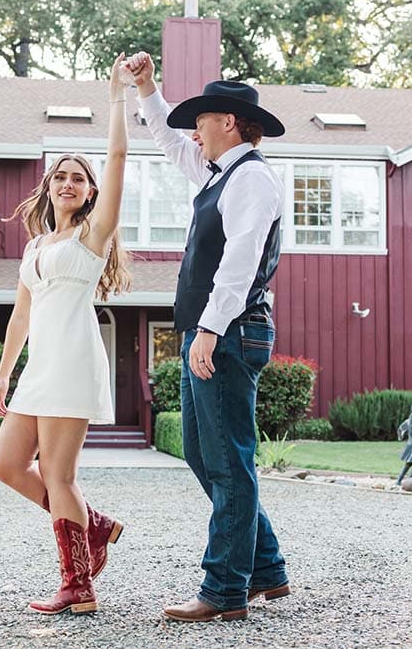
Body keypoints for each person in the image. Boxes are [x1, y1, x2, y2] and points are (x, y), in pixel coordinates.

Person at [126, 51, 289, 623]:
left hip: (229, 331)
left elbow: (240, 263)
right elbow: (170, 145)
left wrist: (210, 328)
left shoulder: (252, 180)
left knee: (227, 463)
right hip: (215, 330)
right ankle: (266, 568)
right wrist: (147, 88)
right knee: (204, 454)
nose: (193, 132)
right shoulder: (222, 174)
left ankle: (224, 590)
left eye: (200, 121)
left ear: (228, 121)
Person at [0, 54, 130, 616]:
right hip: (38, 370)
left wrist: (117, 94)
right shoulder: (34, 247)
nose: (69, 183)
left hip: (73, 362)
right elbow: (20, 317)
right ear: (48, 187)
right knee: (6, 464)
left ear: (90, 192)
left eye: (79, 177)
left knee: (57, 474)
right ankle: (91, 526)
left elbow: (117, 157)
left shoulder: (93, 237)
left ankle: (78, 586)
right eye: (60, 176)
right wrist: (4, 375)